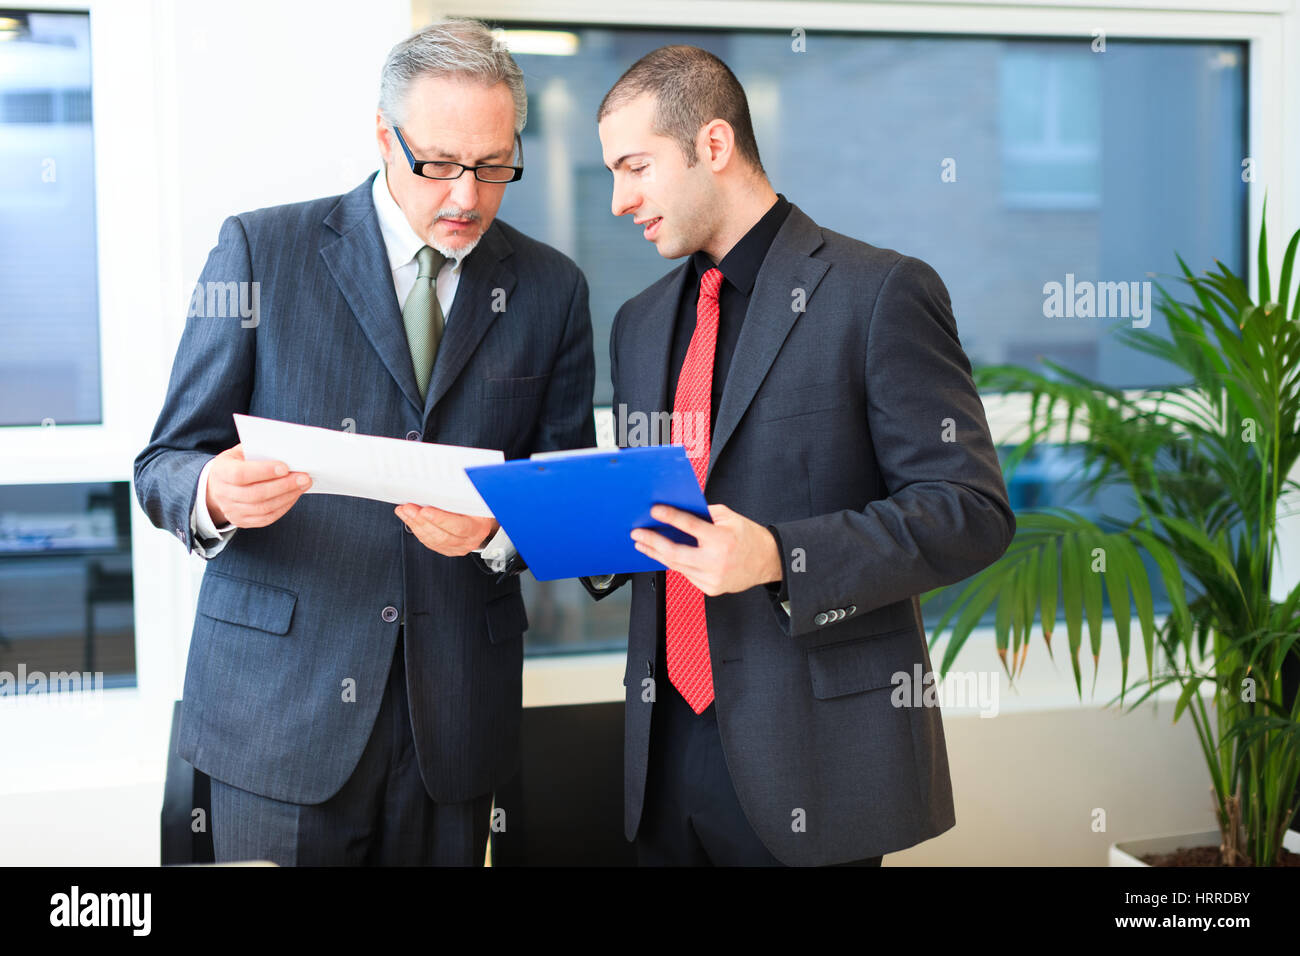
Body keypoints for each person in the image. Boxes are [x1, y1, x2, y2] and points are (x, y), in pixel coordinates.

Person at [134, 18, 595, 865]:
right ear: (384, 136)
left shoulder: (551, 290)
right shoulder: (260, 250)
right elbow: (165, 462)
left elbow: (561, 492)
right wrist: (213, 493)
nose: (467, 197)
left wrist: (496, 531)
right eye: (440, 165)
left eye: (494, 167)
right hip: (279, 716)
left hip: (453, 724)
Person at [583, 45, 1015, 866]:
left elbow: (971, 512)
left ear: (714, 145)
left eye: (634, 167)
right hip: (663, 754)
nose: (617, 200)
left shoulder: (879, 292)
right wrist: (546, 524)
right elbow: (658, 509)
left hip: (813, 763)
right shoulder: (637, 323)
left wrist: (781, 556)